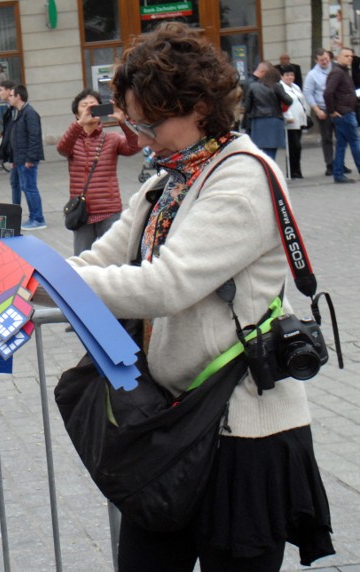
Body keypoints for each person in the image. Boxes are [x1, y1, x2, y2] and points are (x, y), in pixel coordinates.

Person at [51, 22, 333, 571]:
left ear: (200, 106)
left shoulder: (242, 177)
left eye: (150, 121)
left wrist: (53, 283)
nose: (139, 133)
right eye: (132, 118)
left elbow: (165, 285)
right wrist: (19, 271)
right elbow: (98, 262)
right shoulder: (167, 178)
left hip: (241, 432)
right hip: (172, 420)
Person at [57, 88, 140, 254]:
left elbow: (134, 146)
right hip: (81, 212)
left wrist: (123, 122)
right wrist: (79, 124)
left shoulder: (112, 138)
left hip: (108, 209)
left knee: (111, 258)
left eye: (93, 106)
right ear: (76, 113)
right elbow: (62, 148)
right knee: (81, 259)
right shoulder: (72, 139)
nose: (89, 109)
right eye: (84, 106)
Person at [303, 48, 349, 177]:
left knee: (342, 137)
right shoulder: (313, 75)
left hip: (339, 108)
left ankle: (340, 163)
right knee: (327, 139)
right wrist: (316, 110)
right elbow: (308, 92)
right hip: (324, 110)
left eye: (326, 59)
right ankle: (330, 165)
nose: (324, 62)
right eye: (321, 60)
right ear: (316, 60)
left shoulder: (337, 70)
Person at [8, 84, 46, 230]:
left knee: (30, 188)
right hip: (19, 158)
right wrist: (13, 159)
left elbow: (34, 136)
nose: (9, 98)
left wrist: (30, 158)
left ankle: (38, 218)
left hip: (26, 159)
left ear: (18, 96)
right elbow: (15, 137)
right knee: (24, 187)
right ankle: (32, 217)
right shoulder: (19, 112)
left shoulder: (29, 113)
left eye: (11, 95)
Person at [324, 47, 360, 183]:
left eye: (351, 56)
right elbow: (328, 93)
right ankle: (340, 173)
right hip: (344, 114)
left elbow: (342, 92)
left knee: (341, 145)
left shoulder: (343, 72)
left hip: (345, 112)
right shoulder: (338, 72)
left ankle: (338, 173)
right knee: (355, 142)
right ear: (338, 58)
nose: (349, 58)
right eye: (346, 56)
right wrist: (332, 111)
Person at [243, 61, 292, 160]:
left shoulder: (253, 86)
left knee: (258, 151)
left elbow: (247, 107)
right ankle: (270, 170)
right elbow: (289, 100)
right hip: (274, 120)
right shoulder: (276, 86)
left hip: (258, 121)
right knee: (271, 151)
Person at [280, 68, 309, 179]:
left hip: (299, 120)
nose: (290, 77)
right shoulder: (281, 87)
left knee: (298, 147)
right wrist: (288, 117)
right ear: (282, 76)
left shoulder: (295, 87)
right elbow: (283, 104)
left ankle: (297, 170)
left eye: (291, 75)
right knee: (293, 146)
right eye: (287, 75)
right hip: (290, 121)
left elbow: (302, 101)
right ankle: (291, 171)